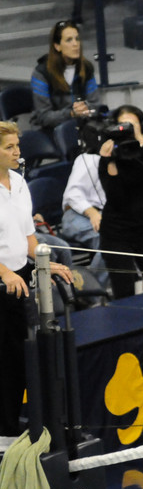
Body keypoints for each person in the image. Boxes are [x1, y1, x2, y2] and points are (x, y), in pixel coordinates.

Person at [0, 121, 72, 447]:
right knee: (5, 360)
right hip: (4, 282)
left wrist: (44, 262)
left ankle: (12, 427)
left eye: (17, 146)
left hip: (18, 282)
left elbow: (28, 236)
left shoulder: (17, 181)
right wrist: (4, 273)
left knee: (19, 358)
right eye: (9, 147)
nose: (17, 152)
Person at [98, 105, 143, 300]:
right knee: (124, 289)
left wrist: (141, 143)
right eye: (123, 125)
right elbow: (116, 198)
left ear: (142, 126)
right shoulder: (109, 158)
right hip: (117, 233)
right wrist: (109, 162)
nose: (127, 129)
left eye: (132, 125)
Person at [60, 117, 111, 282]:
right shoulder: (86, 160)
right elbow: (72, 194)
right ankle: (91, 290)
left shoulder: (118, 158)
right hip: (77, 215)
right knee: (110, 238)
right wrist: (92, 213)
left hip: (104, 213)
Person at [30, 20, 101, 131]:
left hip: (81, 125)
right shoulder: (41, 73)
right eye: (69, 40)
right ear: (57, 46)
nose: (75, 44)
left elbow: (95, 104)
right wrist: (71, 113)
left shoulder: (86, 68)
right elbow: (43, 117)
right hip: (50, 130)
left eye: (77, 39)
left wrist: (84, 108)